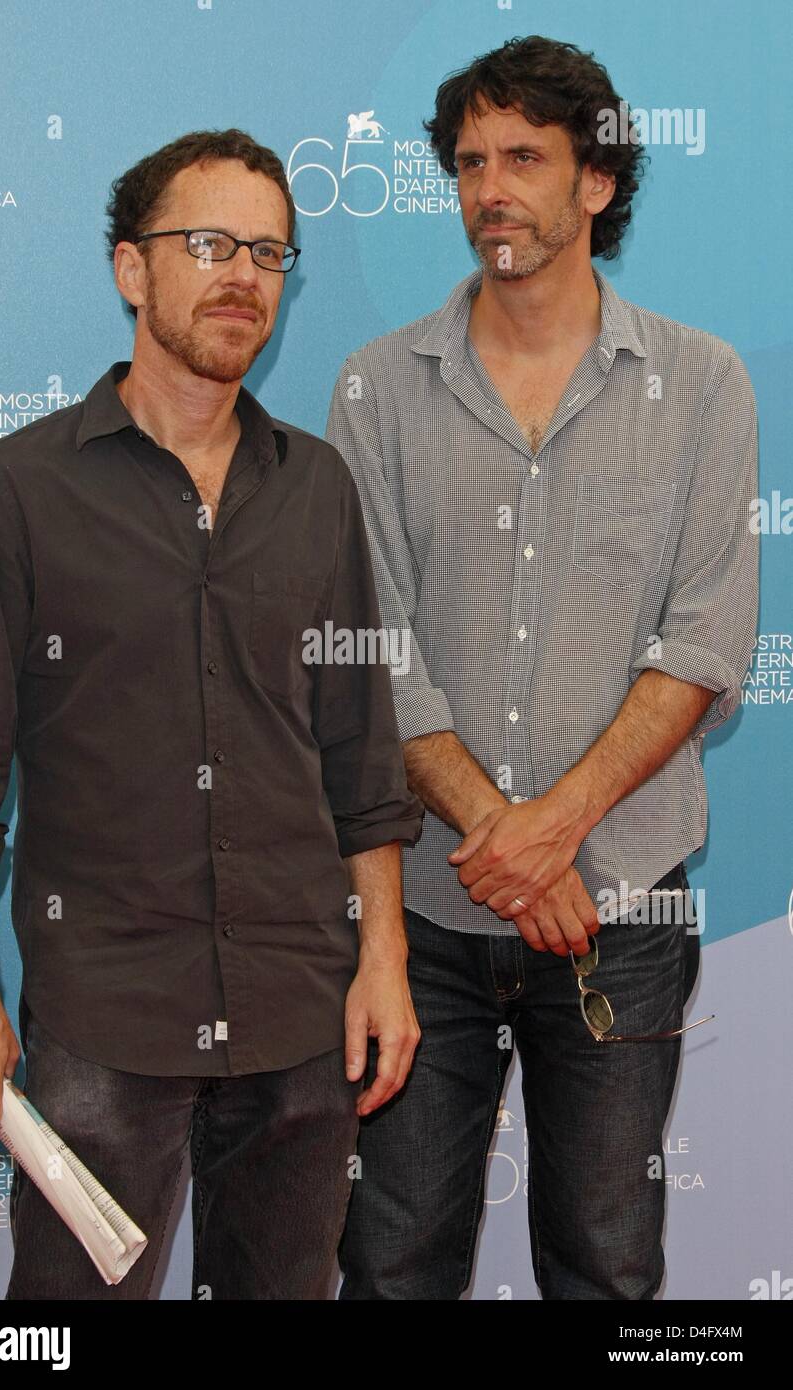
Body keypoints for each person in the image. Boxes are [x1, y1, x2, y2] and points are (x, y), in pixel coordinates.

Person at [0, 128, 423, 1300]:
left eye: (267, 252)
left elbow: (361, 754)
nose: (241, 274)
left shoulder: (319, 489)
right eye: (205, 243)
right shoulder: (10, 491)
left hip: (303, 1013)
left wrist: (384, 960)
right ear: (130, 269)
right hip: (105, 1019)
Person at [326, 37, 758, 1299]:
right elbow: (372, 651)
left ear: (596, 183)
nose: (488, 190)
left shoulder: (703, 384)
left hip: (616, 914)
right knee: (392, 1260)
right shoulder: (374, 391)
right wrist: (499, 835)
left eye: (523, 158)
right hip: (416, 917)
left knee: (608, 1265)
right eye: (468, 162)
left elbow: (704, 643)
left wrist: (553, 832)